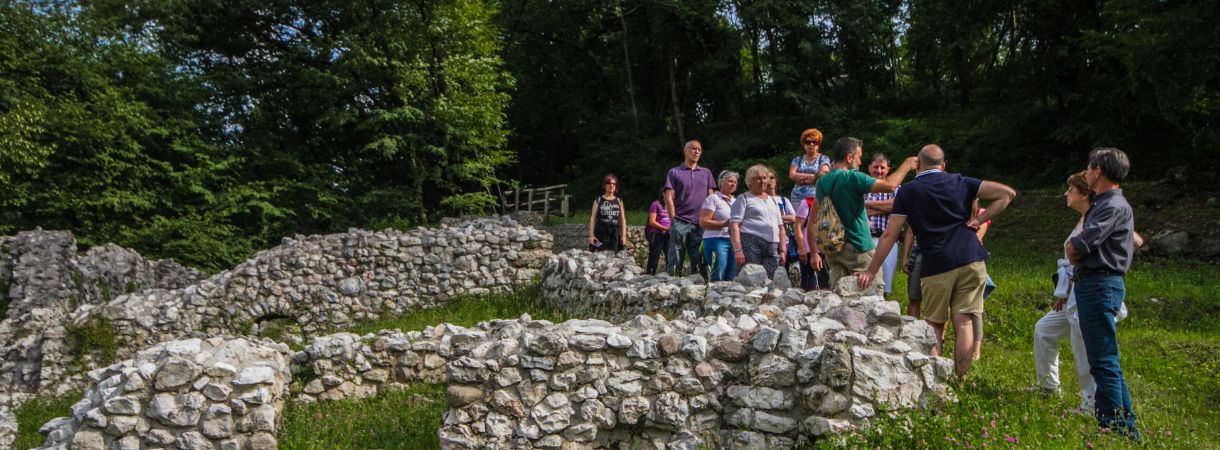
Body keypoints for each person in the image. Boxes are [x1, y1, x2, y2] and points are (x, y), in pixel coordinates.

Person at [856, 144, 1017, 380]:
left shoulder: (908, 191)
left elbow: (890, 235)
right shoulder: (961, 182)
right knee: (964, 322)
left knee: (934, 325)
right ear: (943, 166)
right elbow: (1007, 193)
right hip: (971, 258)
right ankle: (961, 379)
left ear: (918, 165)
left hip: (936, 263)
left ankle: (935, 383)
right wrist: (980, 220)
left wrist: (871, 270)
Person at [1034, 171, 1141, 414]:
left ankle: (1091, 403)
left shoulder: (1100, 216)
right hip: (1073, 290)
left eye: (1070, 189)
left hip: (1092, 289)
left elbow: (1135, 240)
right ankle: (1048, 386)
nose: (1066, 193)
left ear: (1084, 194)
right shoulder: (1087, 217)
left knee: (1085, 348)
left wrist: (1111, 256)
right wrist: (1063, 292)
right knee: (1044, 330)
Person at [1065, 148, 1140, 440]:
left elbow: (1079, 246)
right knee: (1105, 358)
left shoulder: (1112, 206)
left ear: (1098, 171)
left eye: (1088, 167)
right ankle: (1124, 423)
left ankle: (1113, 426)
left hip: (1100, 284)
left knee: (1102, 359)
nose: (1085, 172)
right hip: (1095, 284)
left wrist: (1073, 248)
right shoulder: (1104, 203)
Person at [806, 137, 914, 289]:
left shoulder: (822, 182)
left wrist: (814, 253)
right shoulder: (853, 177)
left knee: (839, 297)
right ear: (849, 158)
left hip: (833, 249)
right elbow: (890, 185)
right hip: (858, 247)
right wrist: (908, 164)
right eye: (859, 157)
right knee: (871, 296)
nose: (860, 162)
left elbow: (812, 221)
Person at [664, 140, 717, 278]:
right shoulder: (674, 172)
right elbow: (669, 197)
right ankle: (671, 284)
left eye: (699, 150)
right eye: (693, 148)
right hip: (680, 220)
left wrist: (709, 219)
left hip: (700, 222)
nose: (696, 151)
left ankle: (701, 285)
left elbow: (711, 198)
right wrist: (673, 219)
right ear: (685, 151)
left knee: (700, 257)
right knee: (675, 257)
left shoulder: (706, 173)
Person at [730, 165, 788, 279]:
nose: (762, 181)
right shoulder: (743, 198)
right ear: (749, 182)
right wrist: (738, 250)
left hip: (772, 245)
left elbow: (781, 227)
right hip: (750, 243)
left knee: (771, 280)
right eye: (758, 178)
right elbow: (734, 225)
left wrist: (782, 251)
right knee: (751, 280)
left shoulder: (772, 200)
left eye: (765, 178)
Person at [863, 153, 899, 296]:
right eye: (875, 167)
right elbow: (856, 209)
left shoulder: (896, 188)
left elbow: (895, 206)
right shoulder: (862, 187)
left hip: (888, 240)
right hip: (865, 239)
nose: (879, 171)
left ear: (888, 169)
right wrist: (884, 208)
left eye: (882, 168)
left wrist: (868, 204)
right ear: (869, 168)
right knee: (864, 281)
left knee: (884, 284)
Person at [700, 171, 739, 281]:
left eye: (735, 182)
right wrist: (724, 224)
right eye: (730, 181)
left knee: (732, 276)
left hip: (733, 242)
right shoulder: (713, 198)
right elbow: (703, 222)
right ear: (721, 182)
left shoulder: (736, 201)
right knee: (718, 275)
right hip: (716, 240)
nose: (733, 184)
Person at [795, 196, 831, 290]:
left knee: (826, 284)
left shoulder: (832, 201)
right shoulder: (807, 203)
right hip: (808, 251)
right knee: (809, 285)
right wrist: (801, 248)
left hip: (827, 251)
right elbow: (798, 226)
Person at [788, 129, 831, 206]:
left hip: (816, 198)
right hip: (797, 198)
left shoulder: (824, 159)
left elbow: (824, 175)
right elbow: (792, 175)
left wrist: (801, 179)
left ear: (818, 144)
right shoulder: (797, 159)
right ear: (804, 144)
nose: (811, 144)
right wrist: (812, 177)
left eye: (814, 142)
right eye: (808, 142)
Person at [587, 174, 628, 252]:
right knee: (598, 254)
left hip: (614, 234)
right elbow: (592, 218)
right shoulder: (598, 200)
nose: (611, 185)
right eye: (609, 183)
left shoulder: (619, 201)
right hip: (600, 234)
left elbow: (623, 219)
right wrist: (591, 236)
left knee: (614, 255)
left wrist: (623, 236)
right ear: (605, 185)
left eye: (614, 184)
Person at [644, 187, 671, 274]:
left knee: (670, 256)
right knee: (654, 257)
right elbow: (652, 222)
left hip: (669, 235)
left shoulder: (672, 205)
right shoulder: (656, 204)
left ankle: (669, 275)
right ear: (664, 193)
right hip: (657, 234)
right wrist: (665, 228)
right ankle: (650, 275)